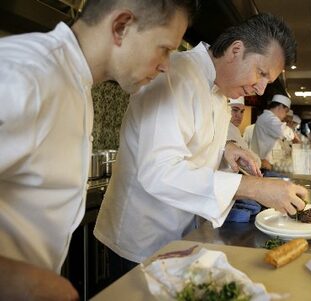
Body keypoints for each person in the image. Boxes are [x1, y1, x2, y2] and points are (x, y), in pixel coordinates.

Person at [0, 0, 197, 300]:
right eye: (165, 48)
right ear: (121, 27)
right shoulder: (24, 74)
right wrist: (24, 281)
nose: (166, 65)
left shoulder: (75, 81)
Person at [94, 13, 308, 268]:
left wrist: (227, 148)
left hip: (183, 237)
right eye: (261, 74)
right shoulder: (174, 75)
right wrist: (252, 187)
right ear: (236, 50)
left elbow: (194, 141)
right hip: (142, 241)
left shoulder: (219, 90)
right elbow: (159, 171)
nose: (261, 90)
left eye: (268, 81)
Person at [250, 94, 296, 173]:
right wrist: (296, 138)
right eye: (286, 111)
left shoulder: (269, 118)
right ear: (280, 107)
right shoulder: (267, 117)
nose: (285, 115)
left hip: (270, 167)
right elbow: (284, 131)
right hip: (264, 167)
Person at [225, 97, 261, 169]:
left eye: (242, 112)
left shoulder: (235, 130)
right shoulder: (224, 128)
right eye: (235, 110)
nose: (239, 116)